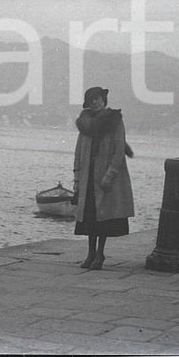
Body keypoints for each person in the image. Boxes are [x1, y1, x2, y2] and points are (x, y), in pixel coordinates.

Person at [72, 86, 135, 270]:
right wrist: (77, 179)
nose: (95, 102)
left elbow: (118, 151)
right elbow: (78, 152)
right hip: (87, 176)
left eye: (98, 99)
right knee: (90, 218)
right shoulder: (85, 123)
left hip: (106, 178)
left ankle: (100, 254)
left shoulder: (115, 121)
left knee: (104, 219)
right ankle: (90, 253)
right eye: (92, 100)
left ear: (104, 100)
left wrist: (110, 175)